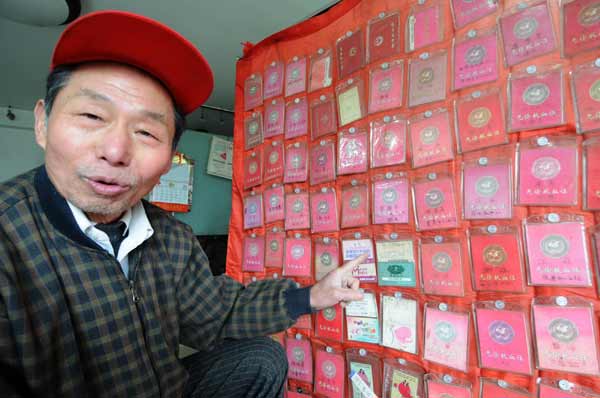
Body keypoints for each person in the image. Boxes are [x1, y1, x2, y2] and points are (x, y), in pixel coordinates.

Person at [0, 10, 365, 398]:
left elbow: (218, 311)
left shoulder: (170, 236)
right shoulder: (9, 240)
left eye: (146, 131)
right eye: (92, 115)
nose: (115, 150)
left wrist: (313, 295)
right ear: (42, 123)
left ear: (171, 154)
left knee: (261, 357)